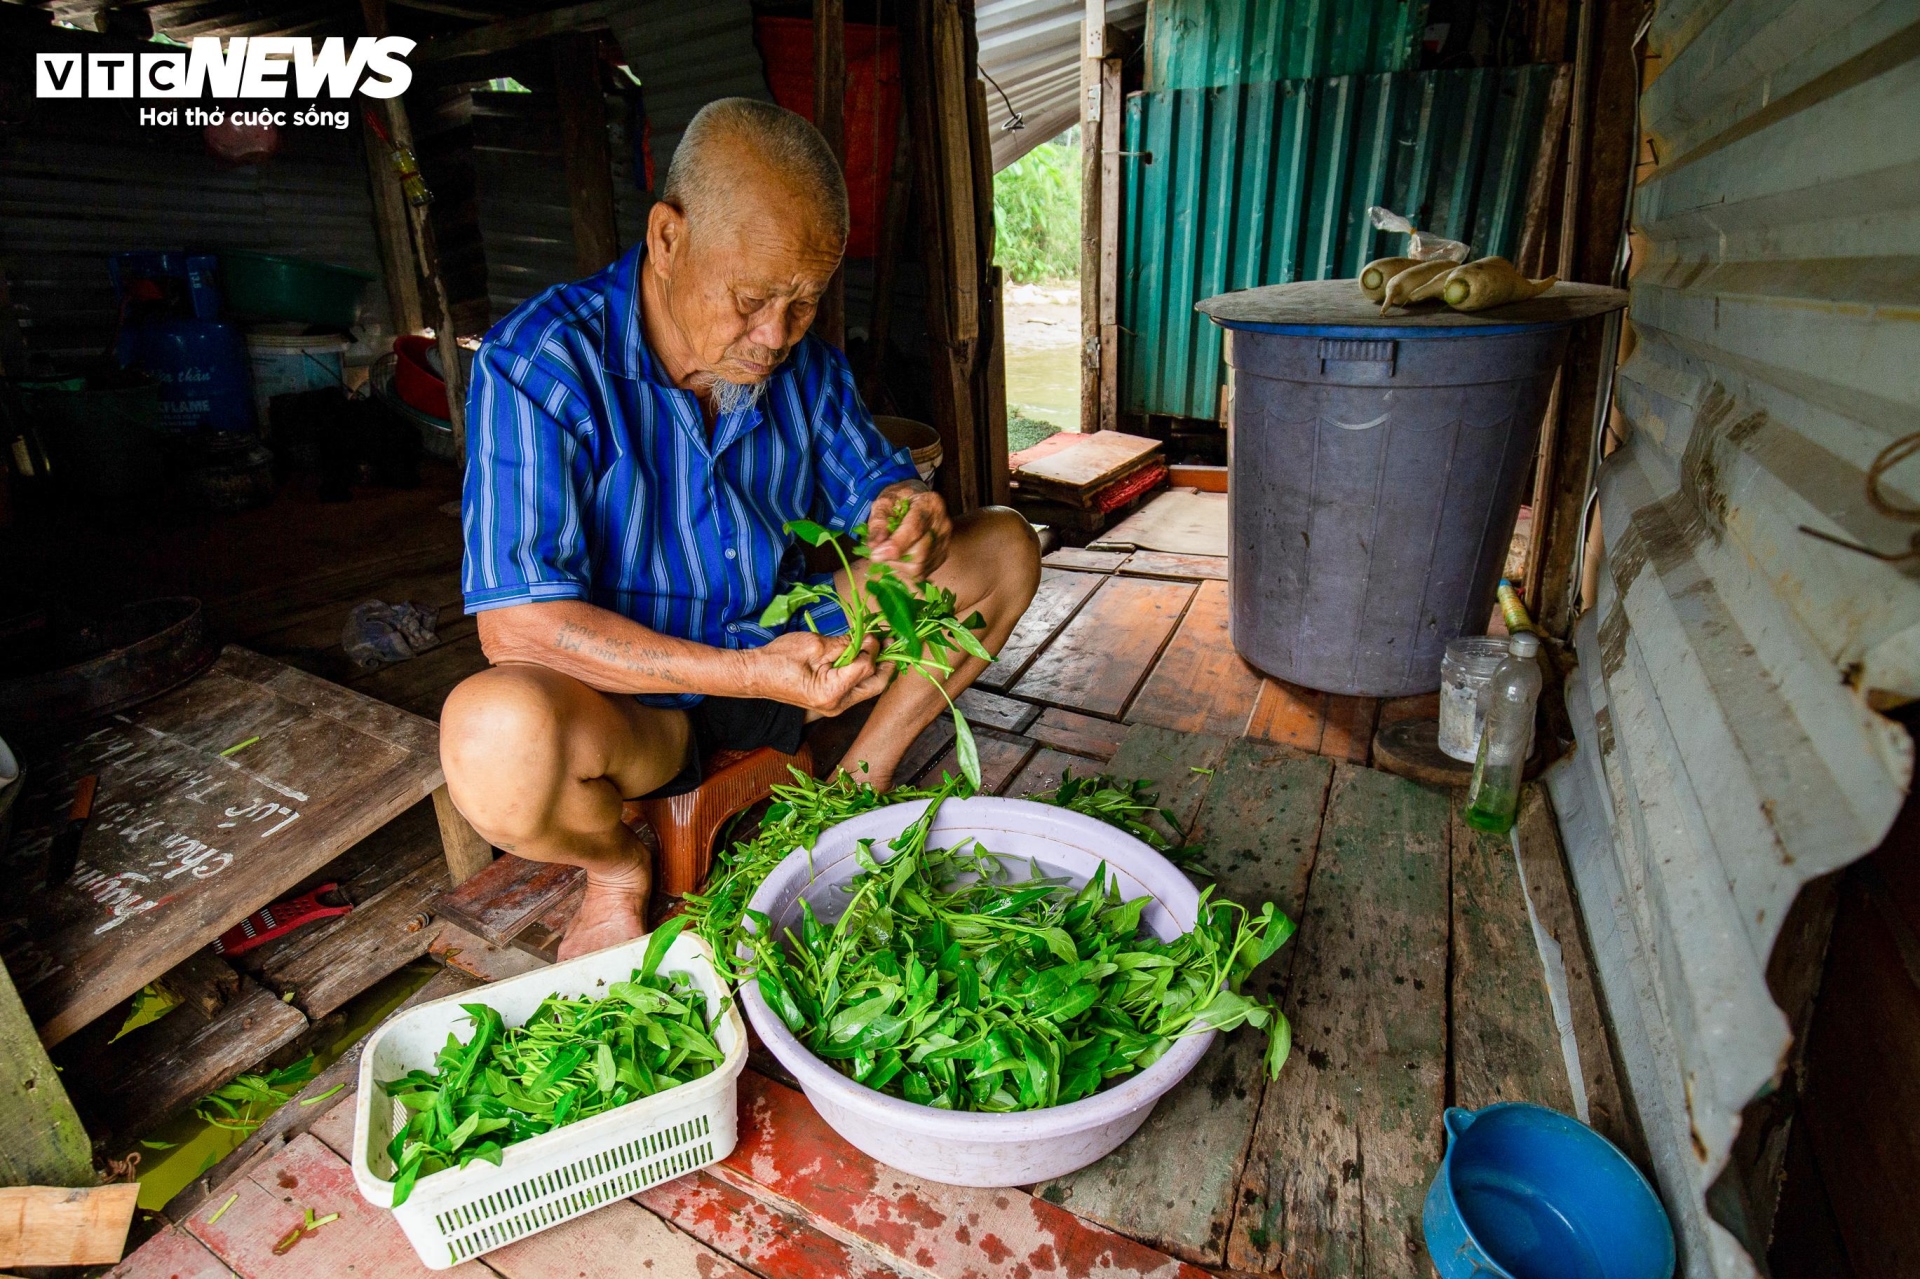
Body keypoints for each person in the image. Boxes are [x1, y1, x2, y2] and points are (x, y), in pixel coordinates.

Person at [438, 98, 1041, 959]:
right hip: (634, 710)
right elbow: (517, 627)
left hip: (784, 639)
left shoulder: (802, 363)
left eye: (802, 304)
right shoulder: (540, 364)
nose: (774, 337)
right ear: (667, 238)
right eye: (753, 299)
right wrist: (746, 674)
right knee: (491, 736)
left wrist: (907, 513)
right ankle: (614, 868)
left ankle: (854, 794)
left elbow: (879, 485)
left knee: (1007, 547)